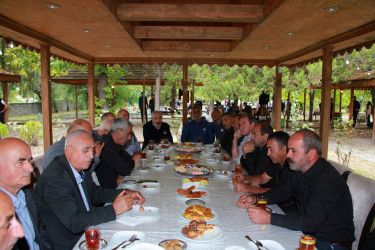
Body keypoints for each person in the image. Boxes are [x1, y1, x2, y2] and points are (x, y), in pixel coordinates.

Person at [238, 129, 355, 249]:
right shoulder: (300, 170)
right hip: (306, 234)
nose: (288, 155)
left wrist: (268, 217)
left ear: (311, 154)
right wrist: (255, 199)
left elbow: (309, 223)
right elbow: (280, 193)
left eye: (293, 151)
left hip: (328, 243)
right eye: (288, 150)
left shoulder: (327, 180)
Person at [34, 130, 145, 249]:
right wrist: (114, 209)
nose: (92, 156)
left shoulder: (80, 167)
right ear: (69, 151)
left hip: (90, 229)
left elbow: (96, 193)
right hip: (70, 242)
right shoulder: (56, 180)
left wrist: (125, 192)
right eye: (85, 150)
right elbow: (75, 222)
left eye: (92, 150)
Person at [0, 138, 53, 250]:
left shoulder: (26, 193)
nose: (30, 168)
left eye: (29, 161)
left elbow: (41, 230)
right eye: (20, 162)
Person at [233, 131, 291, 195]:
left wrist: (248, 188)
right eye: (268, 149)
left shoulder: (292, 168)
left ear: (283, 149)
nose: (268, 154)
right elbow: (262, 178)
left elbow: (280, 192)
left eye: (271, 150)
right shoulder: (277, 163)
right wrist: (245, 177)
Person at [96, 118, 141, 189]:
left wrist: (120, 173)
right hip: (109, 190)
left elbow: (129, 162)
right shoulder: (105, 145)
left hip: (119, 183)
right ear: (119, 132)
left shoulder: (116, 143)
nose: (130, 138)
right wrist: (122, 170)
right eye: (128, 134)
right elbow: (126, 169)